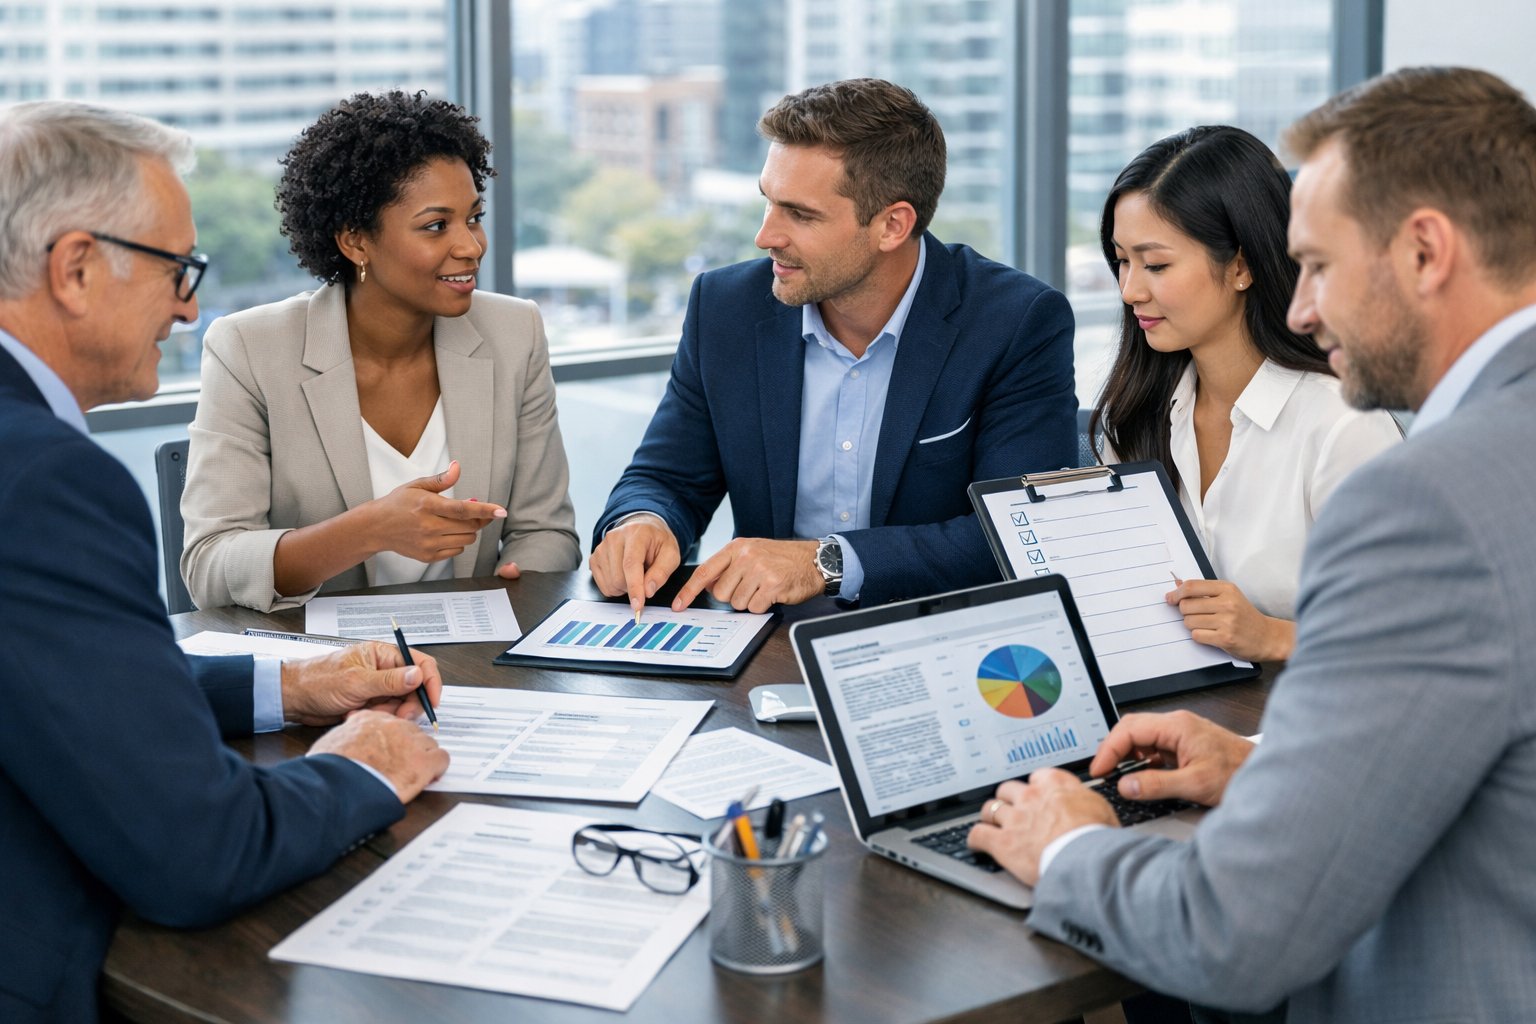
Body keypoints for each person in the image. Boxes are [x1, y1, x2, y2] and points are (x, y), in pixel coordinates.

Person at [967, 67, 1536, 1020]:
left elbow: (1235, 931)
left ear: (1426, 251)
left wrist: (1064, 844)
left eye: (1318, 265)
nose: (1302, 307)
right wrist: (1255, 762)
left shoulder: (1424, 497)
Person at [0, 100, 451, 1022]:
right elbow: (197, 853)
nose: (189, 306)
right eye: (177, 268)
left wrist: (290, 686)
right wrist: (364, 764)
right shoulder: (43, 479)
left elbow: (51, 683)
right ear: (75, 269)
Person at [590, 78, 1076, 614]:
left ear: (892, 225)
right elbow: (667, 477)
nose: (765, 236)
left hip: (937, 634)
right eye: (768, 202)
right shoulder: (726, 308)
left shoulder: (1015, 322)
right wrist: (643, 521)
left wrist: (827, 563)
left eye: (800, 214)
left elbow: (1020, 531)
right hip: (768, 637)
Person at [181, 90, 579, 612]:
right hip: (325, 656)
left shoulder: (514, 332)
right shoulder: (250, 350)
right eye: (436, 226)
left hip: (479, 649)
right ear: (355, 241)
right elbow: (210, 568)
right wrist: (368, 530)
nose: (471, 246)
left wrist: (512, 590)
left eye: (473, 217)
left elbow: (547, 532)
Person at [1092, 125, 1400, 663]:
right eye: (1122, 261)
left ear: (1240, 265)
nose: (1129, 290)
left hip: (1313, 707)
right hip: (1180, 705)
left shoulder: (1342, 426)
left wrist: (1272, 636)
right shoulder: (1136, 415)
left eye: (1156, 264)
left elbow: (1413, 633)